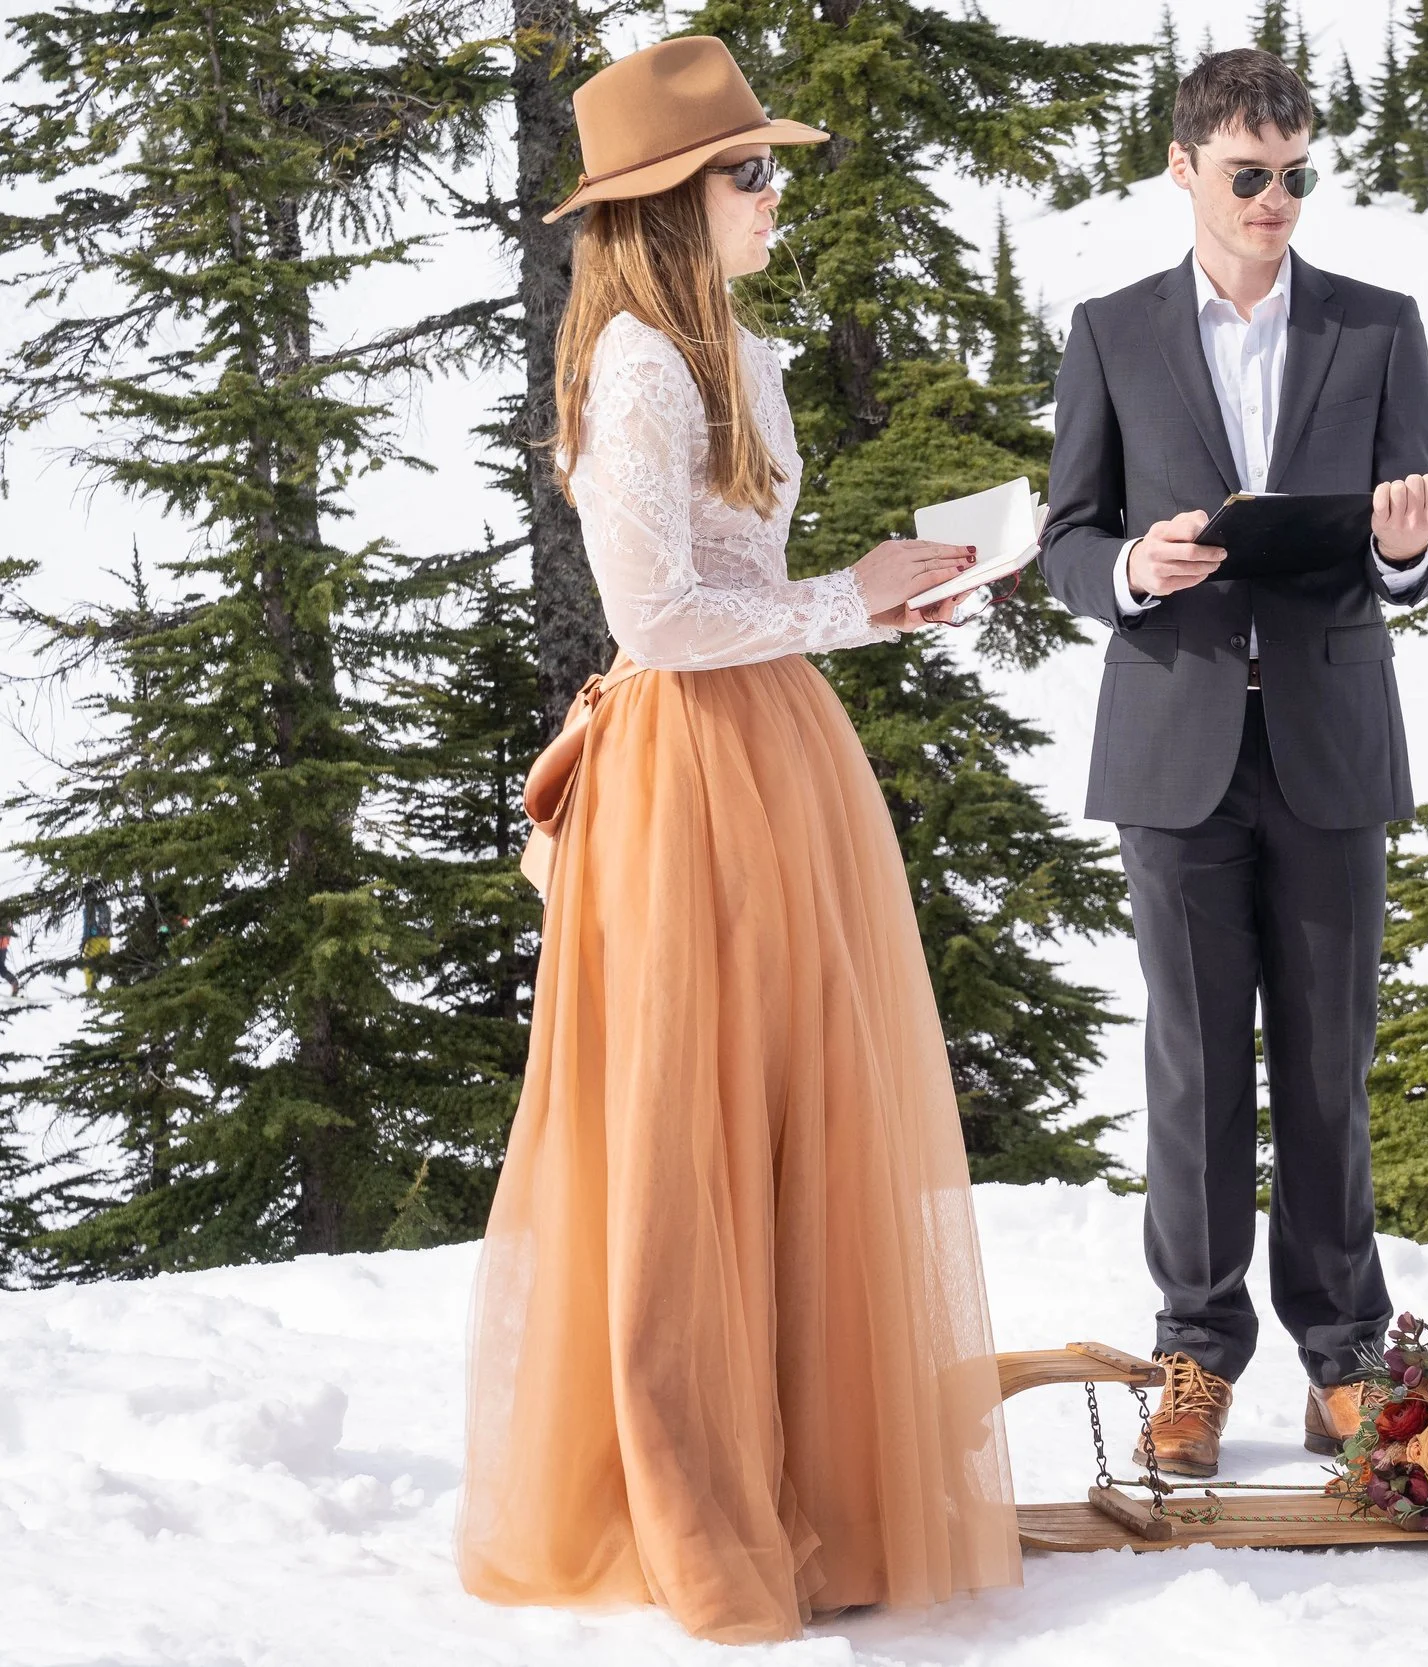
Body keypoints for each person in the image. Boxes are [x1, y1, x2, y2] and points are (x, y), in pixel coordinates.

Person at [455, 36, 1019, 1644]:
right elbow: (657, 620)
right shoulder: (639, 366)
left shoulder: (719, 354)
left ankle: (798, 1474)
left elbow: (735, 590)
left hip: (768, 752)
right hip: (692, 772)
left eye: (771, 166)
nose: (776, 194)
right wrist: (852, 597)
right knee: (689, 1124)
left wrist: (878, 595)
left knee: (788, 1100)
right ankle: (705, 1501)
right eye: (748, 171)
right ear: (665, 203)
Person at [1038, 48, 1428, 1478]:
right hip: (1176, 745)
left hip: (1330, 740)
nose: (1275, 199)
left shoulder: (1379, 326)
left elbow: (1416, 545)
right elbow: (1066, 543)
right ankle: (1196, 1351)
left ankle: (1345, 1356)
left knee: (1331, 1062)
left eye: (1296, 174)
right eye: (1248, 175)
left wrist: (1405, 550)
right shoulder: (1111, 330)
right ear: (1184, 169)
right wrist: (1133, 569)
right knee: (1196, 1065)